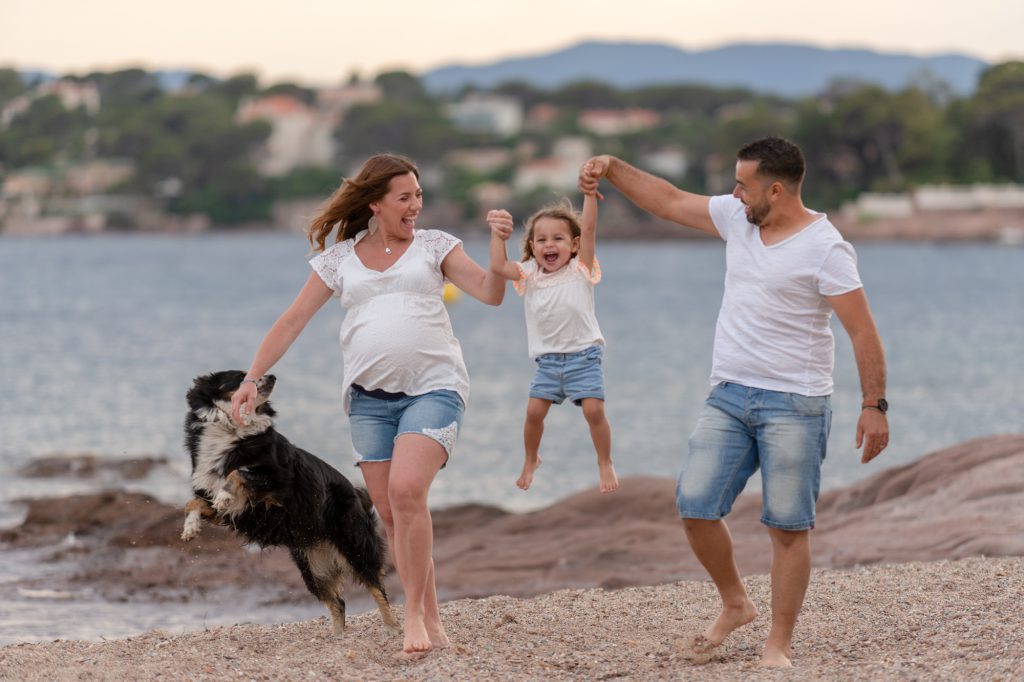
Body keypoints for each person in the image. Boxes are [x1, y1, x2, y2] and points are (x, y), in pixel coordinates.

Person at [579, 137, 889, 668]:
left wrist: (874, 406)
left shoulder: (826, 247)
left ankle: (779, 643)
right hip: (728, 395)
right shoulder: (738, 218)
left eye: (743, 185)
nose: (733, 193)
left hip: (797, 403)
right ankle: (735, 602)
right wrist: (611, 167)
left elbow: (862, 331)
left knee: (787, 527)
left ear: (775, 189)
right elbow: (670, 200)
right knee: (695, 504)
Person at [230, 153, 514, 660]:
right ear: (376, 203)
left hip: (436, 388)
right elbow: (293, 319)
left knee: (407, 493)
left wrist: (499, 244)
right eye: (405, 198)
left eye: (419, 197)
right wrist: (253, 378)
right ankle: (431, 617)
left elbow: (492, 293)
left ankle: (412, 619)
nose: (415, 207)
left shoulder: (434, 246)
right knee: (391, 511)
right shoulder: (340, 259)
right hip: (368, 402)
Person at [490, 191, 618, 494]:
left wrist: (588, 195)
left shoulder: (580, 269)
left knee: (593, 412)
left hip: (584, 357)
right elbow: (498, 266)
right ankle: (531, 458)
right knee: (534, 413)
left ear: (573, 245)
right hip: (547, 362)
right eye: (542, 240)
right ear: (532, 247)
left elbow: (589, 229)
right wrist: (498, 235)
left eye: (558, 239)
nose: (550, 245)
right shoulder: (530, 274)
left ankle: (605, 461)